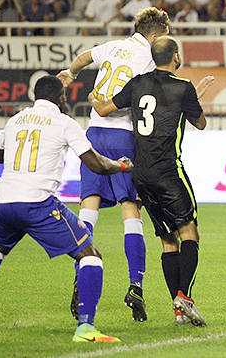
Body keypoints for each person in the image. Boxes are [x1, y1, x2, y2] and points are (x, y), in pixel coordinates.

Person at [0, 76, 131, 343]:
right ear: (61, 98)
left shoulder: (16, 120)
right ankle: (85, 328)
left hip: (5, 201)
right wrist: (122, 166)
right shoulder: (65, 123)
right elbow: (97, 165)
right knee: (91, 255)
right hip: (37, 203)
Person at [57, 7, 171, 323]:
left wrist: (71, 74)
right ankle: (135, 285)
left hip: (93, 134)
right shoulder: (150, 54)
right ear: (157, 33)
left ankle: (82, 275)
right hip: (124, 135)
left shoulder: (111, 46)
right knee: (130, 209)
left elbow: (81, 57)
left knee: (88, 207)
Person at [89, 37, 213, 326]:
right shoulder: (183, 87)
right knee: (189, 233)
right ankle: (184, 297)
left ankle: (178, 310)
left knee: (168, 241)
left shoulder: (138, 83)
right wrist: (194, 97)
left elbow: (105, 109)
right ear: (174, 56)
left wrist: (94, 98)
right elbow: (201, 123)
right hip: (170, 171)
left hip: (141, 175)